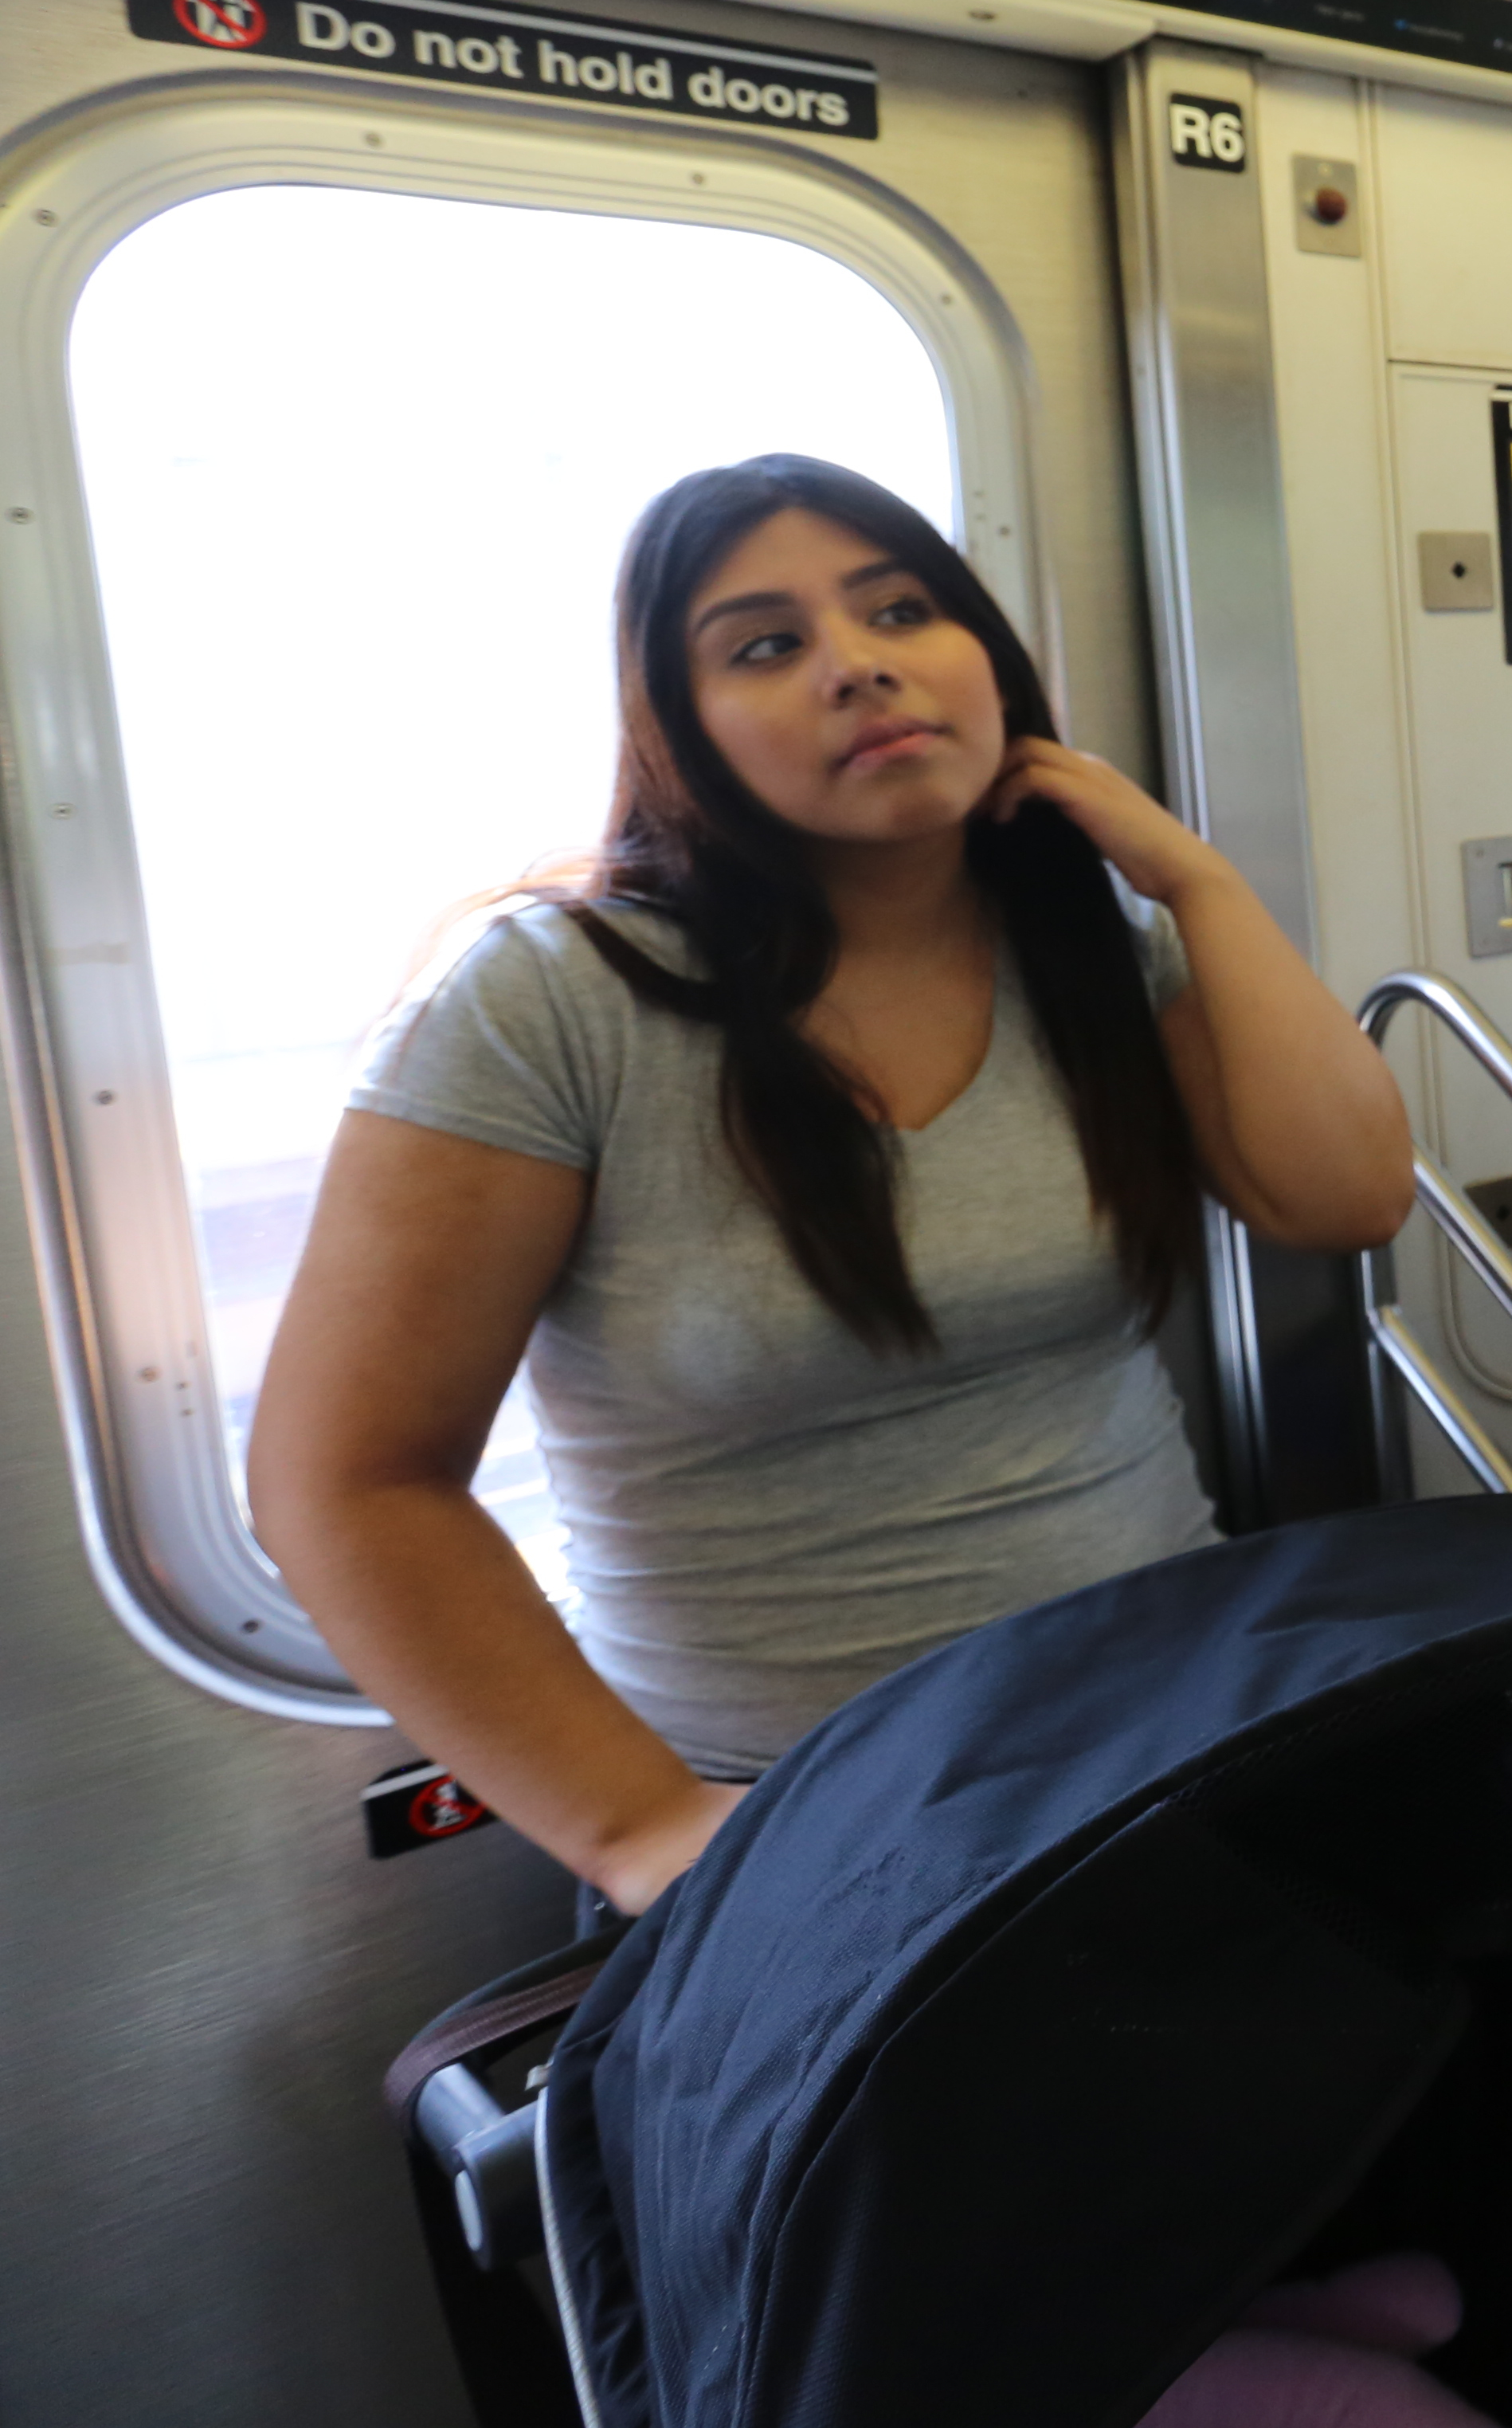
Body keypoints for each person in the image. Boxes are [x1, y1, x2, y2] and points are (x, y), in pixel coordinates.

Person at [248, 453, 1412, 1920]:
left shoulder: (1094, 941)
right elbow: (347, 1479)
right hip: (792, 1807)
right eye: (767, 645)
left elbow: (1350, 1197)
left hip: (1167, 1714)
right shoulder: (555, 1001)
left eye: (901, 610)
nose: (858, 668)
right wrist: (641, 1828)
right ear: (685, 731)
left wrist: (1196, 883)